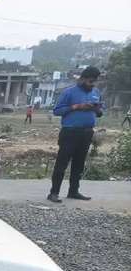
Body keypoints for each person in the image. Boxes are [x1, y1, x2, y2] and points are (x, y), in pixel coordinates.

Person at [48, 67, 104, 202]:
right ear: (83, 79)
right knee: (62, 163)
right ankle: (54, 193)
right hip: (70, 132)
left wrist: (96, 108)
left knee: (79, 164)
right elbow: (57, 111)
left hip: (86, 133)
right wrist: (76, 107)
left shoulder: (96, 93)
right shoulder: (69, 92)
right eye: (90, 81)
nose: (92, 85)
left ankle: (73, 191)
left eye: (94, 82)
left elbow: (101, 112)